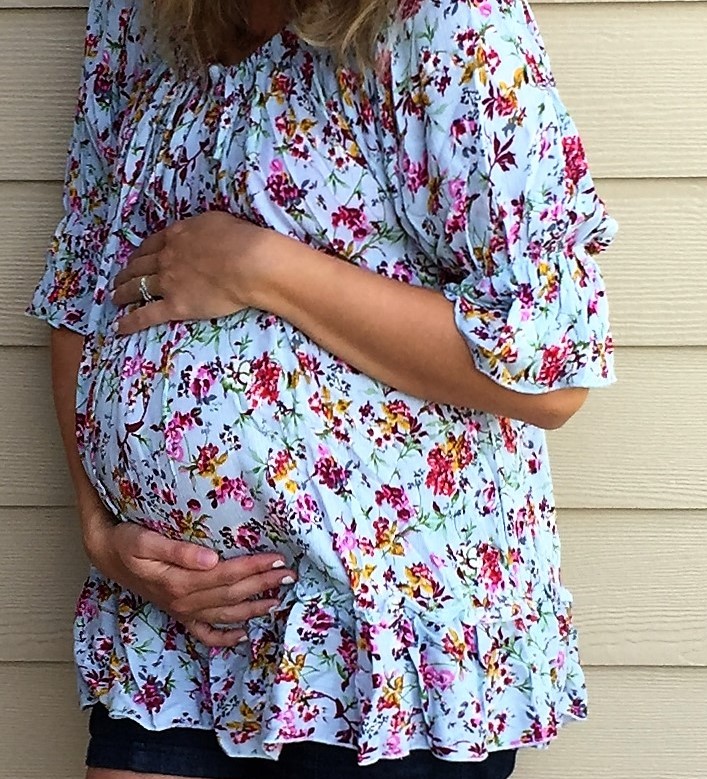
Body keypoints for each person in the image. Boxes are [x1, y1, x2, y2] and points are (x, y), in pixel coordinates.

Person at [25, 0, 619, 776]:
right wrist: (99, 530)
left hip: (383, 642)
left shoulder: (444, 26)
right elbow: (83, 284)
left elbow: (548, 369)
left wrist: (264, 270)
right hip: (171, 636)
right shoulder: (141, 15)